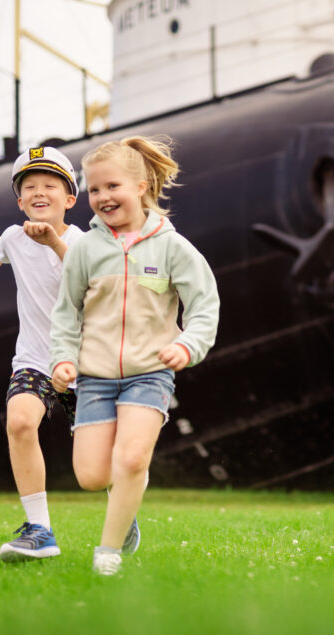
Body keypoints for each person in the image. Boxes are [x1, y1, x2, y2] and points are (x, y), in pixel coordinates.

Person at [49, 135, 220, 576]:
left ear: (141, 186)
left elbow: (204, 305)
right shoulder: (85, 250)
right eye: (94, 190)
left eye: (112, 187)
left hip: (150, 373)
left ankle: (108, 552)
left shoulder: (171, 247)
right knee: (91, 475)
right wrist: (62, 359)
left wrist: (187, 345)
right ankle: (125, 505)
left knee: (132, 459)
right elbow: (65, 313)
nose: (102, 197)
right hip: (96, 378)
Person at [0, 146, 85, 562]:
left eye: (50, 185)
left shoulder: (83, 241)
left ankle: (122, 504)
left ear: (70, 199)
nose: (39, 192)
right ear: (20, 201)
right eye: (29, 187)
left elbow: (89, 279)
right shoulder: (14, 236)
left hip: (86, 362)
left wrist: (53, 243)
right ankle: (41, 530)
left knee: (93, 463)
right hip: (34, 359)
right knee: (20, 423)